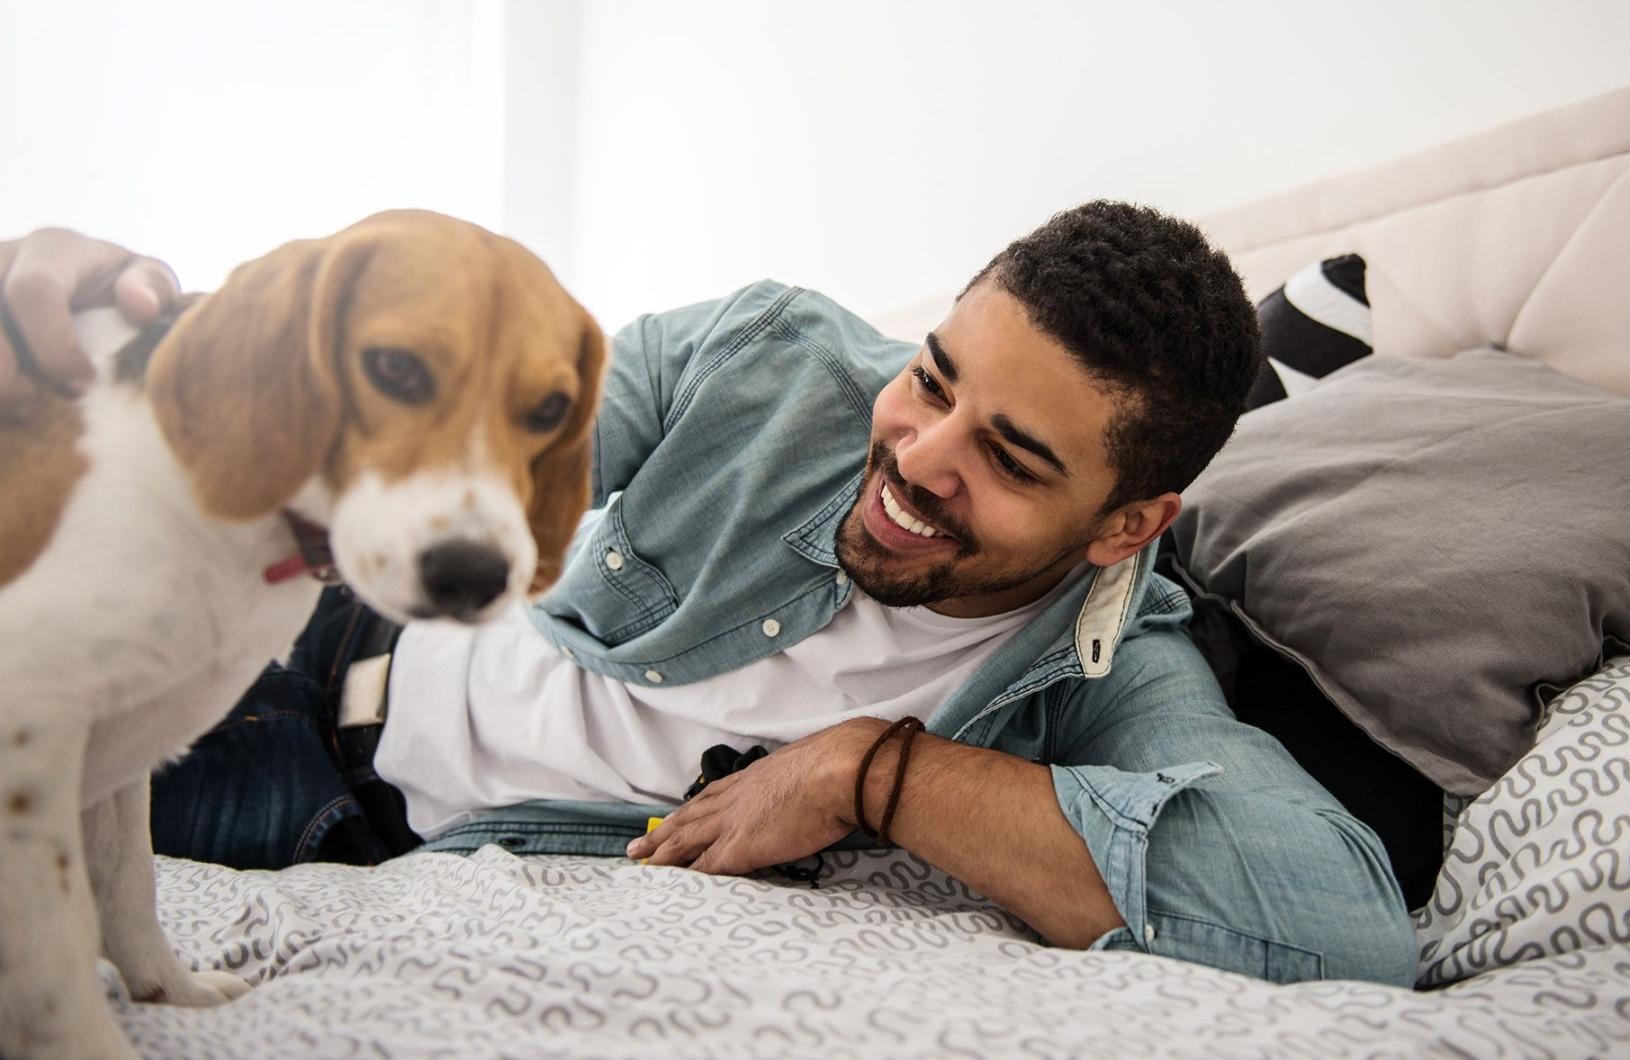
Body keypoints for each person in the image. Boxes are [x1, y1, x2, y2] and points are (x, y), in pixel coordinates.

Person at [0, 203, 1418, 986]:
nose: (916, 458)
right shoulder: (767, 358)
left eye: (1008, 455)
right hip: (310, 616)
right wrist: (130, 318)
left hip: (331, 812)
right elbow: (467, 413)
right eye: (931, 377)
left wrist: (880, 775)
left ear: (1127, 524)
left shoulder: (1115, 669)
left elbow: (1343, 923)